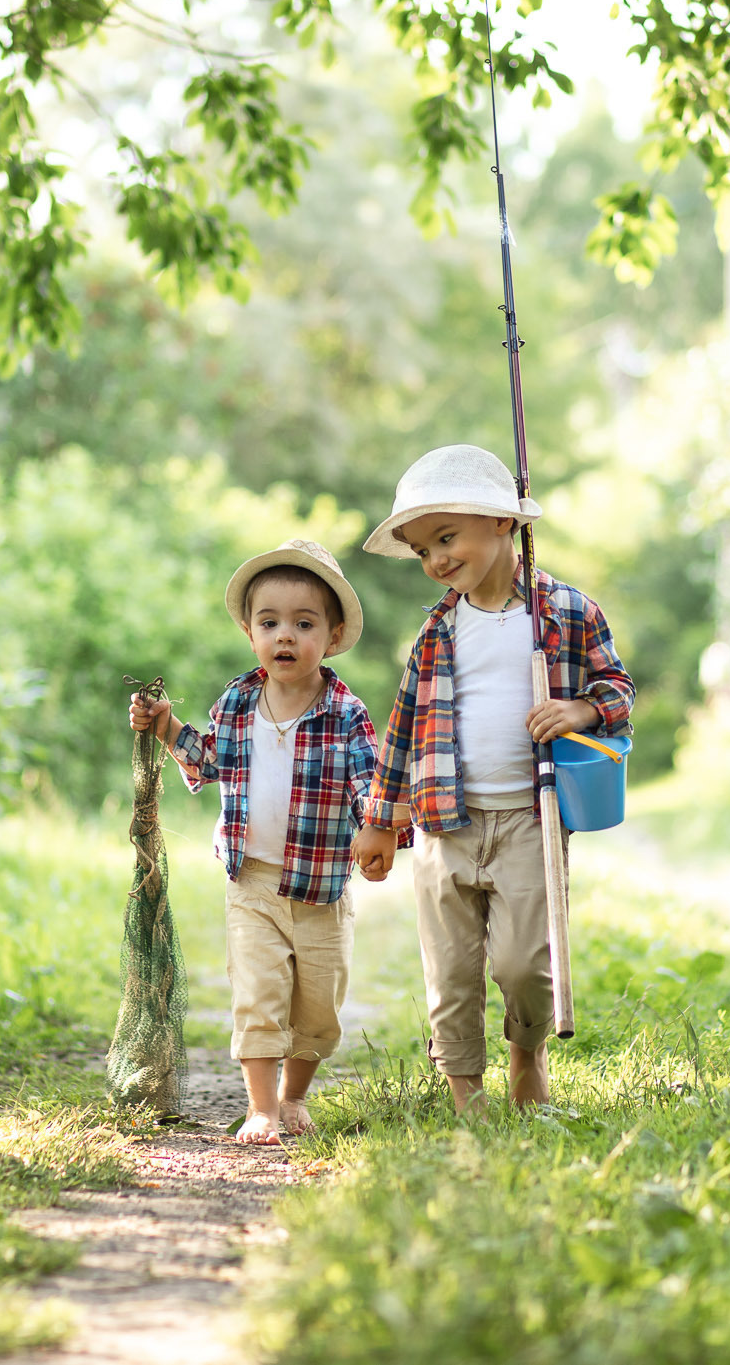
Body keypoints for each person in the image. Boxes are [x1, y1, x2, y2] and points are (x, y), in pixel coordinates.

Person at [349, 445, 633, 1111]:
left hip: (530, 823)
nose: (436, 561)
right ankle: (464, 1090)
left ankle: (525, 1055)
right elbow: (403, 726)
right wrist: (379, 820)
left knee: (522, 964)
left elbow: (617, 689)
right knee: (451, 971)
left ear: (504, 522)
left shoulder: (565, 611)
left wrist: (582, 708)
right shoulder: (437, 630)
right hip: (446, 824)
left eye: (446, 537)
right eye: (423, 549)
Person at [129, 539, 381, 1144]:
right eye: (270, 623)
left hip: (322, 889)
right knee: (259, 993)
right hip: (253, 882)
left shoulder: (345, 711)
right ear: (250, 633)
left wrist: (382, 825)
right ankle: (262, 1107)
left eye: (303, 623)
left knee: (318, 1008)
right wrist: (165, 726)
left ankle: (295, 1095)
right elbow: (210, 757)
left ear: (333, 633)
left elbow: (367, 782)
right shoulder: (239, 701)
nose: (285, 637)